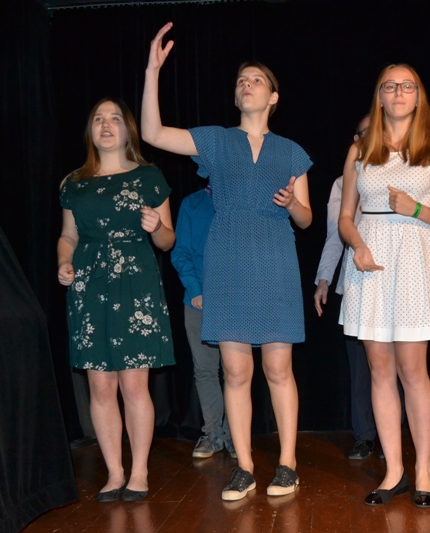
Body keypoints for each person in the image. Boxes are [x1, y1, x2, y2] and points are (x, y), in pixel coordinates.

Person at [142, 22, 312, 500]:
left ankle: (288, 464)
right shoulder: (216, 140)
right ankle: (244, 466)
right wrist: (152, 72)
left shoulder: (292, 152)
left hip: (276, 259)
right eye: (241, 80)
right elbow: (152, 133)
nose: (246, 84)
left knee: (278, 369)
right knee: (236, 372)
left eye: (256, 79)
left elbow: (306, 218)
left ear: (273, 97)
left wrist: (291, 205)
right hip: (229, 260)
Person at [338, 64, 430, 508]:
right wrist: (356, 245)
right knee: (379, 369)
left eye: (407, 86)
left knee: (412, 369)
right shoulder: (359, 150)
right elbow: (345, 217)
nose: (398, 92)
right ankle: (394, 470)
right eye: (390, 86)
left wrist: (416, 209)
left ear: (418, 95)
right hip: (369, 261)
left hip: (414, 258)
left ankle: (424, 467)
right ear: (380, 96)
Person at [57, 97, 176, 503]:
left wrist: (156, 226)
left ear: (128, 130)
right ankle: (114, 472)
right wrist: (64, 262)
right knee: (101, 385)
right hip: (89, 284)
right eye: (98, 119)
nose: (105, 125)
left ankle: (139, 471)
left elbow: (167, 240)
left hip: (135, 281)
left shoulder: (149, 177)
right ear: (90, 130)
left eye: (114, 119)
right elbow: (68, 235)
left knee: (134, 384)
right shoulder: (74, 182)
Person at [313, 115, 380, 460]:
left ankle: (396, 437)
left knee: (400, 364)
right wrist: (324, 279)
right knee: (361, 367)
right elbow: (335, 235)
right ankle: (365, 435)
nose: (371, 136)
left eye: (377, 130)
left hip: (397, 281)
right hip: (356, 282)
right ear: (356, 139)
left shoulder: (404, 173)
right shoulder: (343, 182)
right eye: (364, 132)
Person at [172, 181, 237, 460]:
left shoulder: (241, 200)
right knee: (205, 370)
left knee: (236, 371)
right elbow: (180, 251)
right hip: (199, 301)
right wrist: (195, 289)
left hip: (236, 300)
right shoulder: (192, 203)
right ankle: (213, 434)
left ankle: (236, 436)